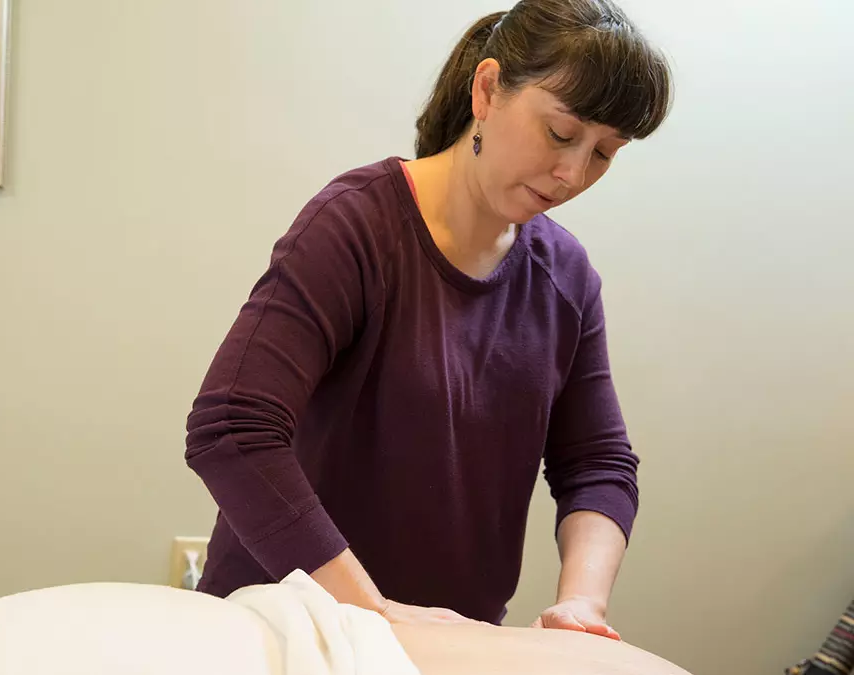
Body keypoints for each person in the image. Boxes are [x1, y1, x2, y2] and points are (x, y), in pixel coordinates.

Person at [184, 0, 673, 639]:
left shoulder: (565, 276)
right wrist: (371, 610)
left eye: (605, 153)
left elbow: (598, 463)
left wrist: (582, 602)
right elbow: (231, 430)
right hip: (290, 630)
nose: (573, 174)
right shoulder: (357, 227)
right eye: (560, 133)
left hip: (447, 640)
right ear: (488, 89)